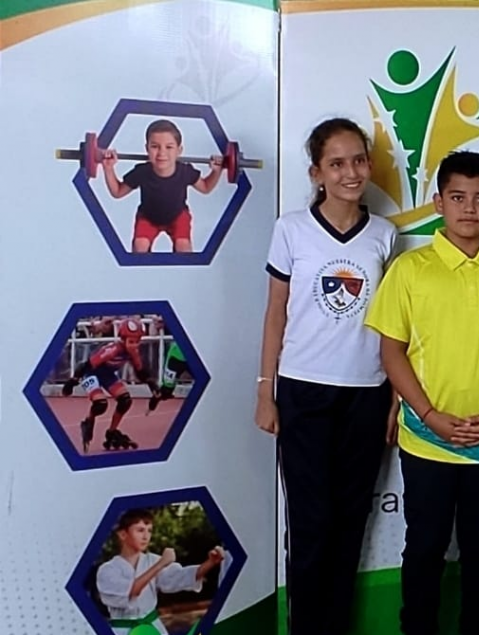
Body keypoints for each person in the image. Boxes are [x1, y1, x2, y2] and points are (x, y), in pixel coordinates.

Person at [364, 150, 479, 635]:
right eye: (457, 197)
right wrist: (428, 414)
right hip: (427, 440)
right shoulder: (410, 269)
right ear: (439, 203)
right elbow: (392, 351)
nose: (469, 208)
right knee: (425, 548)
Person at [255, 117, 399, 635]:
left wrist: (395, 400)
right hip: (302, 392)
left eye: (358, 160)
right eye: (336, 164)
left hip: (367, 394)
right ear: (317, 173)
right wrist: (265, 390)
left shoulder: (385, 235)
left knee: (350, 522)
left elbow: (393, 326)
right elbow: (276, 313)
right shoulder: (291, 229)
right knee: (310, 524)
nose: (350, 172)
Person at [101, 119, 224, 253]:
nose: (161, 153)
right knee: (139, 246)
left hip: (178, 216)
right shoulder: (142, 172)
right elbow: (117, 192)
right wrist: (108, 168)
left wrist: (216, 171)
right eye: (155, 146)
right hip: (148, 217)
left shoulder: (185, 171)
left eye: (169, 147)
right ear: (147, 149)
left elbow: (205, 187)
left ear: (179, 150)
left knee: (183, 247)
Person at [95, 508, 225, 635]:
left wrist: (210, 563)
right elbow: (132, 591)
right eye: (140, 530)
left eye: (149, 531)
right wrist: (161, 564)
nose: (146, 536)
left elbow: (181, 576)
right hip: (122, 631)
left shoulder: (152, 560)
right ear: (122, 534)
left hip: (153, 628)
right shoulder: (107, 570)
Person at [61, 317, 157, 452]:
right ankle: (89, 421)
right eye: (131, 342)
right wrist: (72, 382)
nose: (134, 346)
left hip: (108, 376)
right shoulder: (113, 350)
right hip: (91, 373)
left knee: (125, 400)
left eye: (137, 342)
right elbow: (84, 365)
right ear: (123, 339)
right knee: (101, 404)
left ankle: (112, 432)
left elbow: (140, 372)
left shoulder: (134, 352)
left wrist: (152, 385)